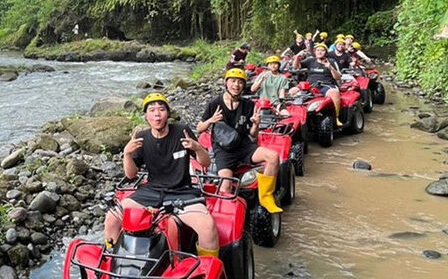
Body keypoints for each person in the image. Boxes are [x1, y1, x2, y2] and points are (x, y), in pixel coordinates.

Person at [103, 93, 220, 257]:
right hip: (151, 192)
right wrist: (127, 154)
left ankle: (207, 273)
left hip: (182, 191)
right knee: (112, 217)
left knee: (208, 227)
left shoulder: (182, 131)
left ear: (168, 113)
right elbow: (131, 174)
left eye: (161, 109)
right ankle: (111, 262)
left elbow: (206, 163)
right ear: (146, 115)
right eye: (151, 110)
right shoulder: (142, 137)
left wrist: (197, 148)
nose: (156, 114)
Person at [197, 69, 283, 214]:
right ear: (226, 83)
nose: (236, 85)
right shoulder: (215, 103)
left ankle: (266, 196)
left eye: (240, 82)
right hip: (224, 150)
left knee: (273, 157)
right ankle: (228, 216)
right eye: (233, 81)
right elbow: (200, 127)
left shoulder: (248, 105)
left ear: (243, 86)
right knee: (225, 186)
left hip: (244, 146)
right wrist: (211, 120)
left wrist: (256, 124)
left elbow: (253, 135)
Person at [293, 43, 343, 126]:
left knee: (334, 93)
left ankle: (336, 117)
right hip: (311, 86)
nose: (320, 52)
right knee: (292, 91)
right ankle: (293, 115)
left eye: (322, 50)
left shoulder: (331, 61)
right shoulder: (310, 60)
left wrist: (330, 67)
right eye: (318, 50)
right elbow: (296, 67)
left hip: (326, 86)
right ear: (315, 52)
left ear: (326, 52)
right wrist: (297, 58)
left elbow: (338, 77)